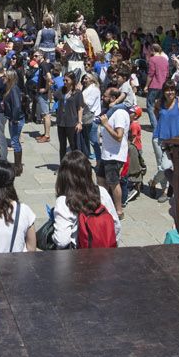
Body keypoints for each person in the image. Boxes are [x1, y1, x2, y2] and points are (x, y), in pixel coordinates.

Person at [48, 153, 121, 249]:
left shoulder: (64, 201)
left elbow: (62, 241)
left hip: (79, 258)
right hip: (105, 253)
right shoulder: (101, 192)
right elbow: (116, 225)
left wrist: (51, 236)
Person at [96, 86, 130, 220]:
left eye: (105, 96)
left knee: (113, 182)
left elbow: (119, 136)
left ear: (113, 98)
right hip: (106, 153)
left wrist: (105, 125)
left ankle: (119, 210)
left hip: (114, 155)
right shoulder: (112, 111)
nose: (103, 98)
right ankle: (105, 205)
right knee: (100, 179)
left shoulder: (120, 113)